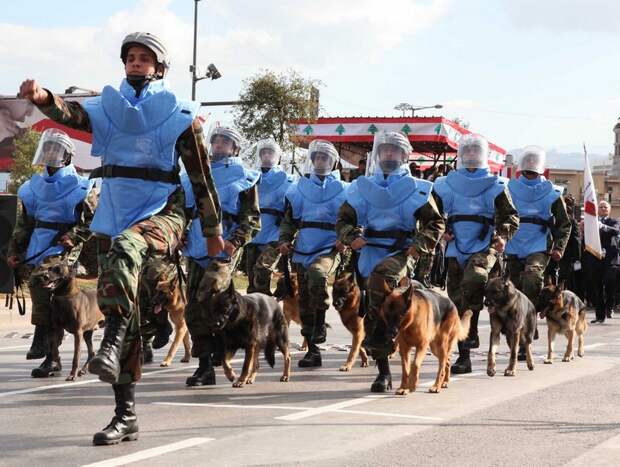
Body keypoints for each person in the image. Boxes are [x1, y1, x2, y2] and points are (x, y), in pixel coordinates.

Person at [19, 32, 223, 445]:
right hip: (115, 207)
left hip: (162, 210)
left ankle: (111, 341)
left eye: (144, 58)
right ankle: (125, 414)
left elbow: (201, 177)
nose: (135, 63)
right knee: (123, 309)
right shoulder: (107, 108)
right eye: (130, 57)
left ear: (159, 67)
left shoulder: (181, 114)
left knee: (128, 251)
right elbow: (71, 114)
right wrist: (43, 98)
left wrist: (213, 230)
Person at [336, 131, 444, 392]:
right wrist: (351, 236)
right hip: (369, 250)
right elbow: (343, 220)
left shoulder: (418, 188)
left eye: (394, 151)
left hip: (400, 254)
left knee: (381, 281)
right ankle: (383, 372)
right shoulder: (361, 186)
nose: (388, 155)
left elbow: (436, 223)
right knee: (374, 313)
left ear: (404, 155)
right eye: (384, 150)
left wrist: (419, 246)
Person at [6, 128, 96, 377]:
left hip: (64, 248)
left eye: (55, 149)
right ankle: (49, 349)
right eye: (47, 148)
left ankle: (46, 347)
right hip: (38, 245)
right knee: (41, 292)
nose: (50, 153)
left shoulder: (81, 186)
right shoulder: (32, 187)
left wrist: (73, 236)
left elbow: (92, 221)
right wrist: (15, 250)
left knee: (44, 283)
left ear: (66, 155)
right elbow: (25, 224)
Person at [433, 134, 519, 374]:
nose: (471, 154)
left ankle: (471, 332)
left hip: (484, 244)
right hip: (455, 245)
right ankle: (464, 357)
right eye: (467, 151)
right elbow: (433, 214)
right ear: (461, 154)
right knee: (457, 300)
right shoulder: (444, 183)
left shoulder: (497, 184)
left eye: (475, 151)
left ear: (482, 154)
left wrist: (502, 235)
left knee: (475, 278)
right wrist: (442, 231)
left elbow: (510, 216)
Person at [182, 125, 260, 386]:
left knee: (210, 294)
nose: (219, 145)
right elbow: (180, 210)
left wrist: (233, 243)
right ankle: (205, 366)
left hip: (224, 248)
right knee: (192, 308)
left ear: (235, 148)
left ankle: (222, 348)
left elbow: (251, 219)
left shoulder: (246, 178)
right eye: (216, 141)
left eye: (226, 142)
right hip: (194, 247)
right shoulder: (193, 174)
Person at [278, 139, 348, 368]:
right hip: (303, 248)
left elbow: (354, 219)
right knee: (305, 301)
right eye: (317, 157)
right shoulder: (298, 189)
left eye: (325, 158)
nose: (320, 161)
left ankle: (319, 326)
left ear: (333, 162)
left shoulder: (345, 190)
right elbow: (289, 221)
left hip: (328, 247)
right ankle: (313, 349)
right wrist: (285, 240)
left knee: (318, 277)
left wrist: (344, 239)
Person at [505, 146, 571, 304]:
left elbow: (564, 223)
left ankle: (530, 315)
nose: (531, 164)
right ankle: (516, 325)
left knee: (532, 276)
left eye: (534, 161)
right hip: (514, 242)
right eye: (528, 160)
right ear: (522, 163)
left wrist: (559, 247)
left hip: (539, 243)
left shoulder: (552, 192)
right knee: (513, 287)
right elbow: (499, 216)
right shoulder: (509, 189)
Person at [246, 139, 294, 295]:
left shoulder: (288, 180)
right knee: (252, 277)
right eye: (263, 152)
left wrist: (287, 232)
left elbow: (294, 207)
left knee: (262, 271)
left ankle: (269, 309)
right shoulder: (251, 178)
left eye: (270, 152)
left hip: (275, 233)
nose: (267, 155)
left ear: (277, 156)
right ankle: (257, 312)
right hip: (254, 232)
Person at [584, 200, 620, 323]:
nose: (603, 208)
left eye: (605, 207)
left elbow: (615, 230)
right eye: (601, 206)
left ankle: (609, 306)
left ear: (609, 210)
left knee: (609, 284)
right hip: (595, 257)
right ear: (597, 209)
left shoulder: (614, 221)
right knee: (597, 287)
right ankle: (599, 316)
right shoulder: (592, 223)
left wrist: (603, 226)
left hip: (610, 259)